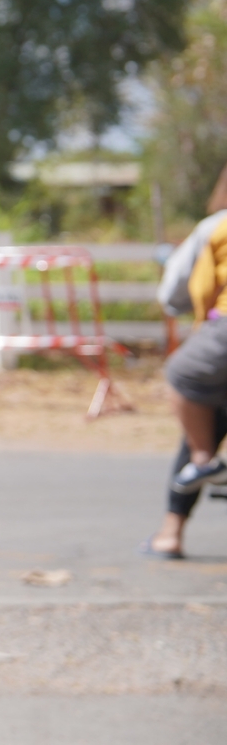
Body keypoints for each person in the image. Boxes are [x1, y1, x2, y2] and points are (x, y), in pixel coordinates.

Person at [148, 163, 227, 558]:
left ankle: (171, 533)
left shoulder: (216, 226)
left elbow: (176, 293)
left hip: (220, 341)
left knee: (186, 378)